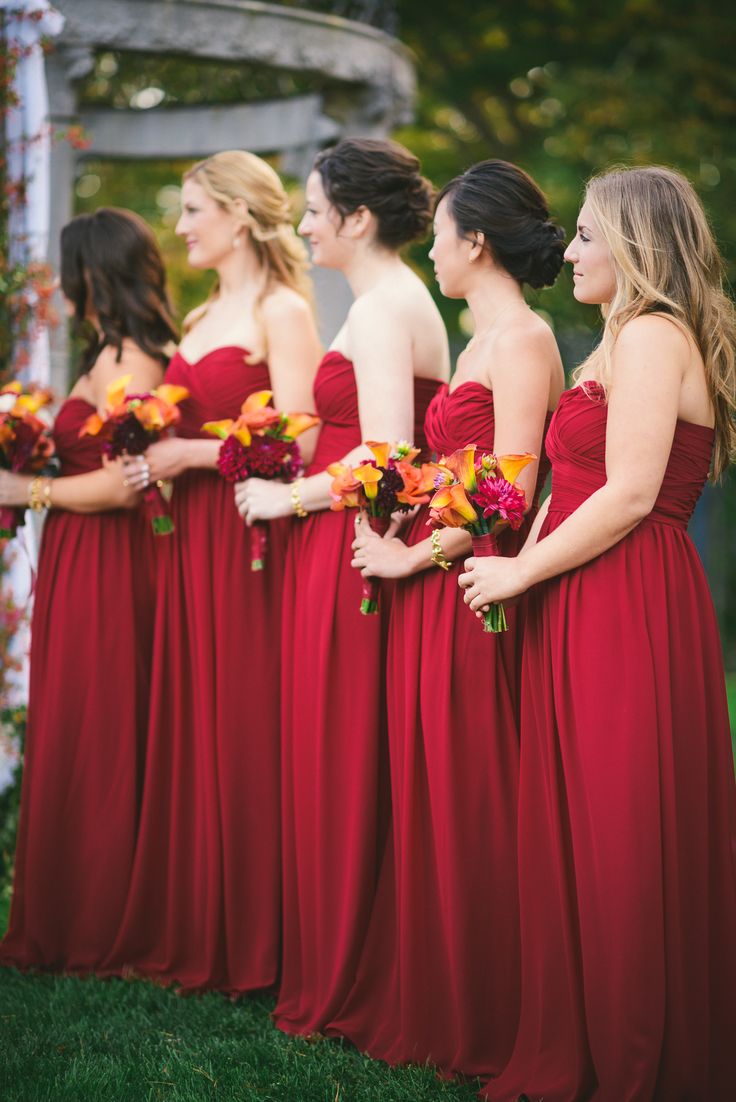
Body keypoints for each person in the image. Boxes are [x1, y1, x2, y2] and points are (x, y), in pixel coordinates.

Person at [460, 165, 736, 1099]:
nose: (567, 250)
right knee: (571, 825)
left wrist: (520, 569)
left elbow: (627, 494)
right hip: (572, 594)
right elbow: (563, 490)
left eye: (584, 235)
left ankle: (632, 1058)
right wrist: (516, 577)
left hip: (628, 602)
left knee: (619, 831)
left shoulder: (657, 337)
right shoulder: (616, 340)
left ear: (633, 244)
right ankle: (574, 1035)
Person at [329, 160, 565, 1076]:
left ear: (475, 242)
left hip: (472, 591)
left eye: (442, 233)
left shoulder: (520, 341)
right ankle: (438, 991)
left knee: (471, 787)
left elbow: (509, 491)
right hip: (436, 582)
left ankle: (491, 1010)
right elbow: (458, 468)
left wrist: (404, 555)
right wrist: (396, 495)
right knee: (429, 780)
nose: (430, 245)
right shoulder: (477, 341)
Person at [235, 137, 450, 1033]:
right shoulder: (383, 299)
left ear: (358, 219)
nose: (306, 224)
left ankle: (354, 970)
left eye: (317, 208)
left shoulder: (391, 301)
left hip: (353, 541)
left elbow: (392, 452)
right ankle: (336, 951)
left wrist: (289, 494)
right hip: (343, 539)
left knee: (343, 748)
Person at [105, 150, 321, 994]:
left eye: (195, 209)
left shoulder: (283, 310)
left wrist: (188, 452)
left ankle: (260, 937)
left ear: (238, 214)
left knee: (243, 715)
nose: (183, 225)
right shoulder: (199, 317)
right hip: (188, 534)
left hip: (246, 537)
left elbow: (300, 442)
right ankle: (199, 919)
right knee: (196, 711)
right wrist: (148, 459)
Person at [0, 208, 177, 971]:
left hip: (109, 558)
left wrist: (20, 487)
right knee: (74, 717)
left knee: (103, 722)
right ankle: (67, 905)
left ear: (91, 273)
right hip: (77, 556)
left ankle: (100, 919)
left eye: (67, 272)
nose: (60, 290)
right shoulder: (105, 349)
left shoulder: (134, 358)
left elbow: (121, 488)